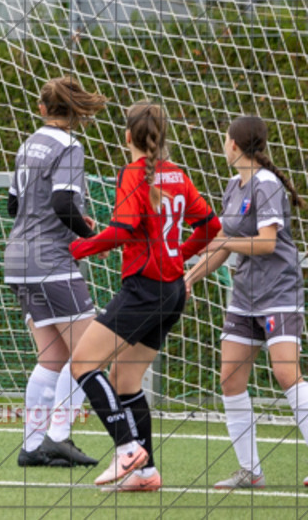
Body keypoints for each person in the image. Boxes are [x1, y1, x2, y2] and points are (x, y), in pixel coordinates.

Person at [69, 101, 220, 491]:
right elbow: (211, 226)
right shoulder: (177, 176)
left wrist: (78, 249)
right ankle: (146, 472)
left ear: (128, 136)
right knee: (126, 380)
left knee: (83, 364)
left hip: (144, 288)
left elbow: (122, 230)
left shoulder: (134, 174)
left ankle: (126, 448)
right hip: (171, 291)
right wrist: (179, 254)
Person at [184, 116, 306, 489]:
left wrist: (224, 244)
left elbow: (267, 243)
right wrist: (187, 278)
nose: (223, 144)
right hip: (244, 299)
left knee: (287, 374)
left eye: (224, 139)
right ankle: (250, 471)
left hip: (279, 295)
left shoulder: (266, 184)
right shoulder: (233, 186)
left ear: (234, 145)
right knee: (231, 380)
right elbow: (223, 242)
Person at [4, 77, 106, 468]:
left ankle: (32, 445)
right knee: (91, 353)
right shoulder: (69, 146)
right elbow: (64, 202)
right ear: (74, 111)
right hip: (51, 261)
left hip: (18, 258)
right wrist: (88, 231)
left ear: (43, 109)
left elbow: (14, 206)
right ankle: (59, 436)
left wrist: (67, 221)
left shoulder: (28, 144)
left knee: (52, 357)